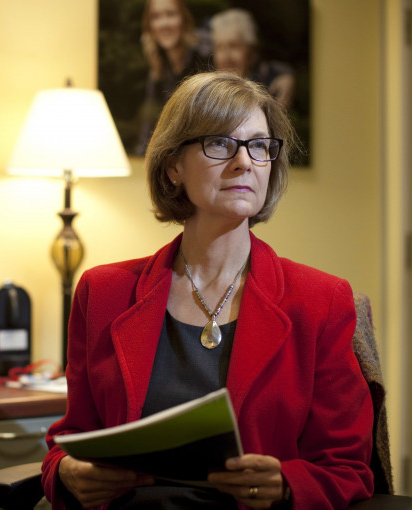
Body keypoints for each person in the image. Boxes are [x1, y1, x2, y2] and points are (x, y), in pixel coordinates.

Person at [41, 71, 374, 509]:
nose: (244, 162)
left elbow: (348, 468)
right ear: (173, 166)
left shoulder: (321, 300)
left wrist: (285, 484)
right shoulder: (103, 292)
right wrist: (66, 473)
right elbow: (72, 438)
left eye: (259, 146)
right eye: (220, 143)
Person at [135, 0, 209, 156]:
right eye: (156, 17)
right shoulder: (159, 70)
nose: (164, 24)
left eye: (171, 14)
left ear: (184, 19)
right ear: (149, 26)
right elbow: (149, 128)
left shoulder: (204, 59)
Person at [210, 8, 295, 111]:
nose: (226, 56)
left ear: (252, 52)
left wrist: (287, 76)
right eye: (219, 47)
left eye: (234, 46)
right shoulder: (209, 91)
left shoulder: (270, 83)